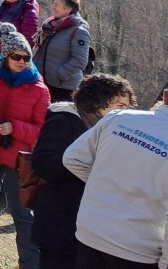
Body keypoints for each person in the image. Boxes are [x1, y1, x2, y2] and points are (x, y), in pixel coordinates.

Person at [31, 74, 136, 269]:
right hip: (60, 224)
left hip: (91, 231)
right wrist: (88, 165)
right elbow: (43, 164)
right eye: (120, 105)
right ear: (96, 102)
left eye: (129, 105)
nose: (127, 111)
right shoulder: (65, 120)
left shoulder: (115, 131)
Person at [62, 82, 168, 269]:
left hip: (92, 232)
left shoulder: (120, 117)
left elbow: (73, 158)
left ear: (165, 97)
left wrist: (106, 185)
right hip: (139, 250)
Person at [0, 23, 50, 269]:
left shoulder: (39, 90)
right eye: (17, 57)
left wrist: (15, 127)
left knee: (23, 215)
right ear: (5, 56)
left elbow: (41, 128)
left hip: (19, 158)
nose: (23, 61)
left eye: (27, 57)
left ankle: (28, 262)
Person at [34, 0, 91, 102]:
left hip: (62, 88)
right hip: (44, 83)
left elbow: (80, 60)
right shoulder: (51, 27)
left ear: (68, 9)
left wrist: (59, 75)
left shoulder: (79, 30)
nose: (53, 7)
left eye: (56, 5)